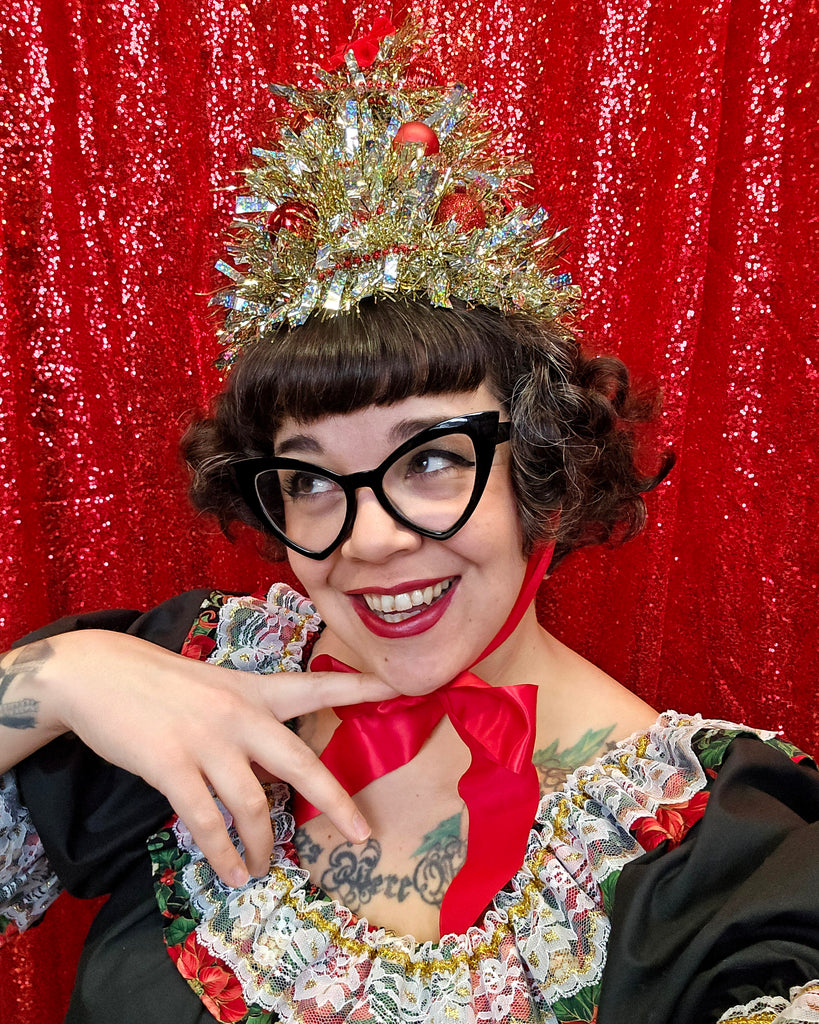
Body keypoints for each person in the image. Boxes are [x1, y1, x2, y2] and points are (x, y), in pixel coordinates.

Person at [1, 18, 818, 1024]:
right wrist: (58, 678)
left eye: (429, 459)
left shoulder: (722, 856)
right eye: (310, 480)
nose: (367, 540)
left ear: (539, 468)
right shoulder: (188, 675)